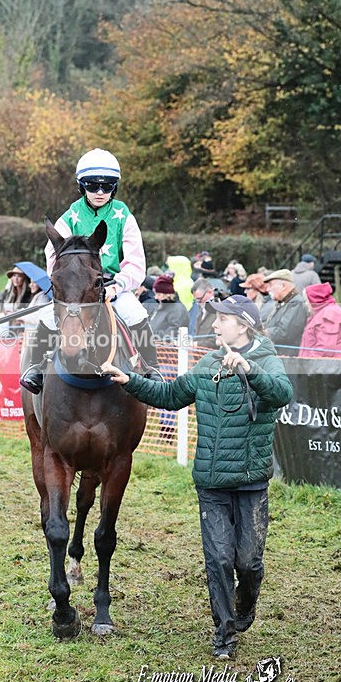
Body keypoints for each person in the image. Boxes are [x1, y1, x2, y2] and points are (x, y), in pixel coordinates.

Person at [101, 295, 293, 660]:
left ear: (243, 325)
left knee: (249, 562)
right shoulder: (208, 363)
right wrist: (130, 381)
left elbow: (283, 394)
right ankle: (224, 634)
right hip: (211, 482)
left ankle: (245, 604)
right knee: (219, 559)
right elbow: (171, 395)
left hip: (251, 481)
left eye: (221, 320)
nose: (214, 326)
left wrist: (250, 370)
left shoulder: (267, 359)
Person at [20, 148, 162, 394]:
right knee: (45, 315)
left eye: (106, 187)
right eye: (92, 185)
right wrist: (65, 285)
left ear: (114, 187)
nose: (99, 192)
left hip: (113, 284)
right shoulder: (70, 216)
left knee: (136, 313)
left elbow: (136, 261)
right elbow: (51, 253)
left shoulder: (124, 215)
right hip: (75, 287)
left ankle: (151, 368)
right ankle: (37, 368)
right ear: (81, 186)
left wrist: (118, 286)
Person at [263, 269, 308, 356]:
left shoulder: (296, 303)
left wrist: (262, 332)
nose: (267, 289)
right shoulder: (284, 303)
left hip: (288, 358)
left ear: (283, 285)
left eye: (270, 285)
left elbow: (284, 333)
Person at [299, 282, 341, 357]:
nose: (306, 304)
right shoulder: (322, 312)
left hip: (325, 367)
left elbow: (325, 349)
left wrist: (307, 362)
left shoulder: (330, 314)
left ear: (314, 300)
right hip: (319, 366)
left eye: (307, 300)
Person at [149, 274, 190, 341]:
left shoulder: (177, 309)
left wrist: (156, 339)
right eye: (155, 294)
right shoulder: (161, 306)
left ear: (168, 294)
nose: (156, 297)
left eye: (159, 294)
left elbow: (174, 331)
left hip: (166, 349)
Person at [191, 278, 217, 348]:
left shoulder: (220, 311)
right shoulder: (202, 308)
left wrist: (197, 344)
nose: (197, 302)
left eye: (199, 298)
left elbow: (218, 340)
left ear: (210, 292)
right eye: (196, 299)